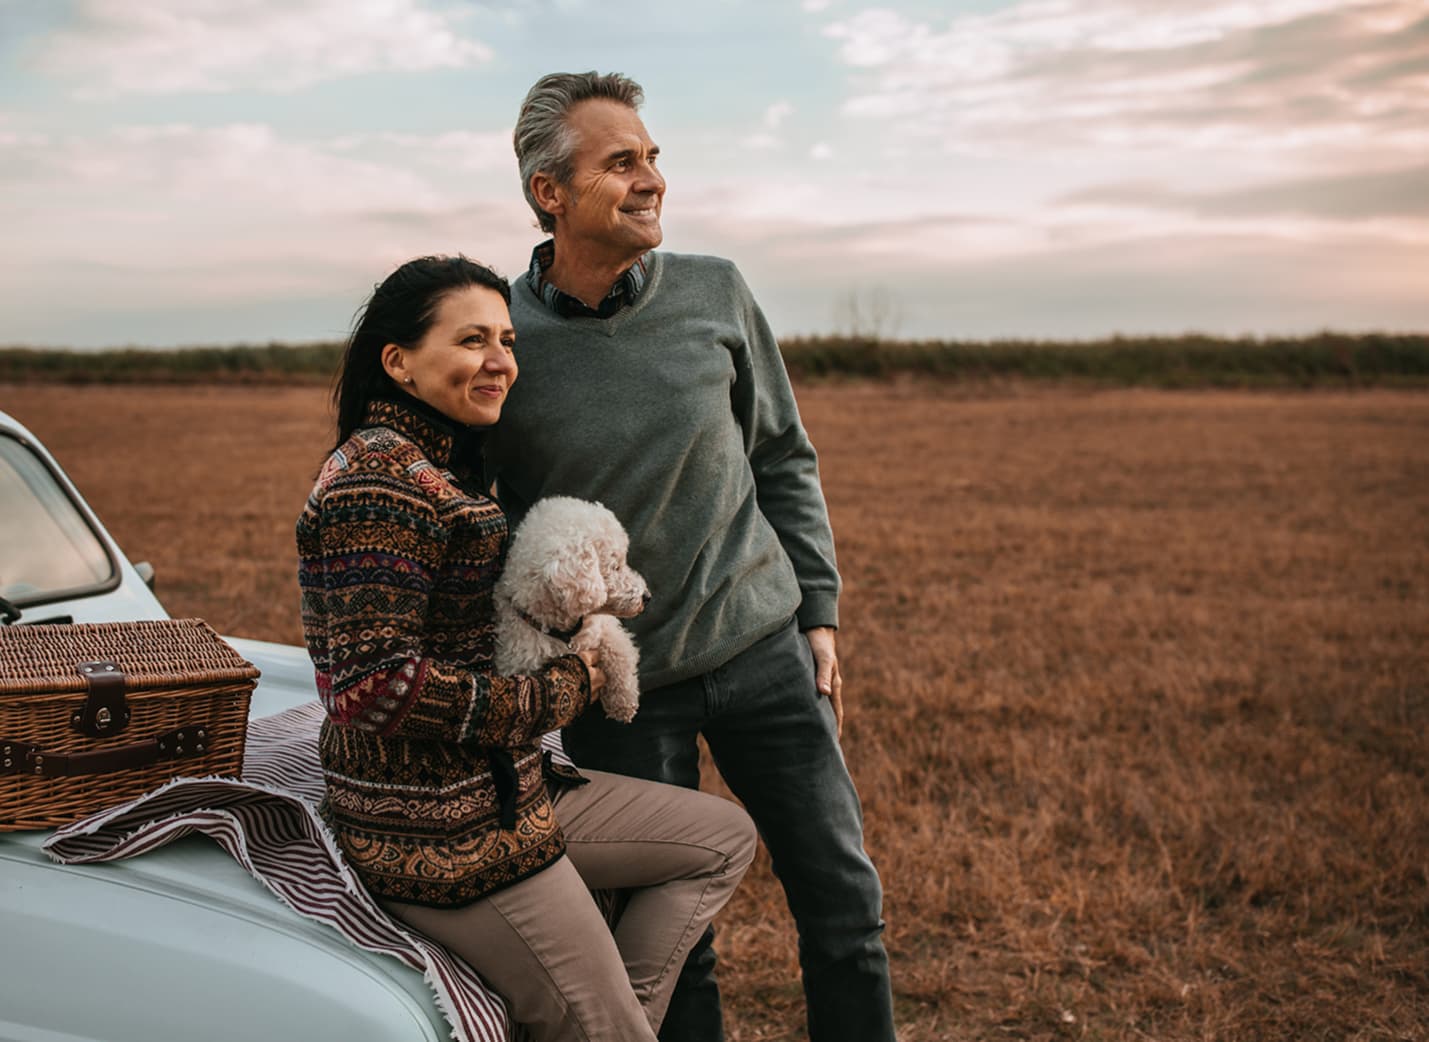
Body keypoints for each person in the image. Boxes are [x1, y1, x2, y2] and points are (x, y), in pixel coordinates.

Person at [484, 73, 897, 1041]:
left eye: (653, 158)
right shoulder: (504, 338)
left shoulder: (716, 290)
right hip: (622, 693)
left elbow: (783, 455)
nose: (651, 179)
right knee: (672, 945)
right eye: (620, 162)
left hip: (763, 658)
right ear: (551, 192)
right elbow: (489, 519)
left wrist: (819, 613)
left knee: (845, 908)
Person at [296, 254, 757, 1042]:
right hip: (443, 836)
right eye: (471, 339)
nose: (500, 360)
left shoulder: (436, 465)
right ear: (398, 361)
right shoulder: (378, 482)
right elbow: (371, 687)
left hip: (504, 796)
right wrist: (564, 688)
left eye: (506, 339)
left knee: (719, 840)